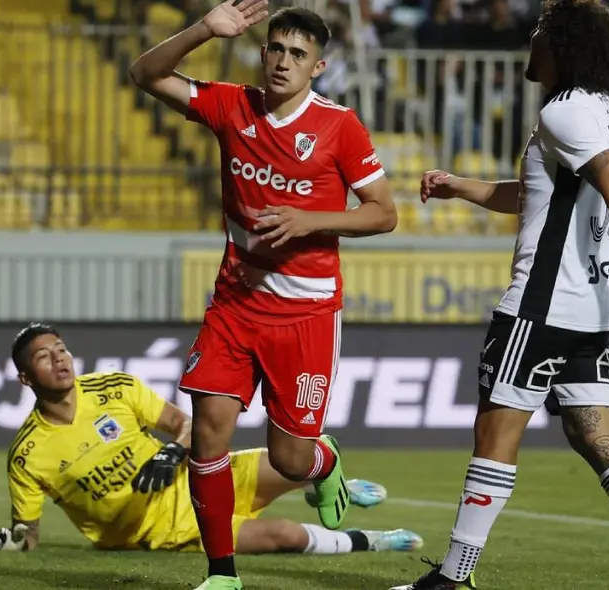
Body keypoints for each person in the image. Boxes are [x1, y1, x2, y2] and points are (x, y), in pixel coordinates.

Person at [391, 1, 609, 589]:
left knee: (495, 435)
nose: (531, 39)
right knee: (595, 432)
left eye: (540, 33)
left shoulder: (564, 111)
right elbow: (540, 193)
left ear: (563, 48)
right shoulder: (605, 111)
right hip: (590, 308)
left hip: (539, 308)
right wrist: (459, 187)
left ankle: (453, 577)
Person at [130, 3, 397, 589]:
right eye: (275, 48)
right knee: (208, 432)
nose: (282, 61)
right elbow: (145, 75)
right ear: (262, 52)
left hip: (304, 312)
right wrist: (204, 29)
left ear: (318, 67)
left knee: (290, 461)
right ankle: (222, 574)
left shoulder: (339, 127)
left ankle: (323, 462)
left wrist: (308, 220)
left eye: (297, 54)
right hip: (235, 302)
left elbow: (384, 214)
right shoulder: (233, 105)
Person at [0, 323, 423, 559]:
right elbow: (29, 536)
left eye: (60, 348)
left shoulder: (114, 388)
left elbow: (189, 425)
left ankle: (320, 483)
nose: (59, 359)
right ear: (25, 378)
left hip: (198, 475)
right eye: (44, 356)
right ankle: (372, 540)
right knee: (286, 536)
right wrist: (12, 542)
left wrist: (173, 451)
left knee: (293, 458)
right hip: (168, 527)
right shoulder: (27, 455)